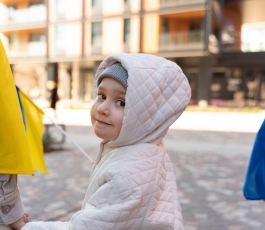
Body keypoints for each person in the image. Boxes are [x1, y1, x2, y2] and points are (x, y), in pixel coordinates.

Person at [21, 53, 191, 230]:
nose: (102, 108)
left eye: (121, 102)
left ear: (147, 115)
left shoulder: (126, 175)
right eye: (101, 95)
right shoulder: (144, 147)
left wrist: (27, 227)